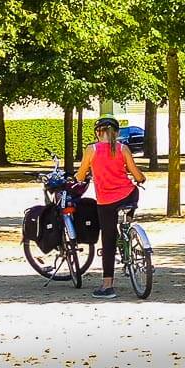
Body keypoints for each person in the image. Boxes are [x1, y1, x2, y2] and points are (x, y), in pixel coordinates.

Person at [75, 117, 146, 299]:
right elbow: (137, 174)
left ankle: (107, 286)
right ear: (117, 133)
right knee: (129, 207)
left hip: (106, 201)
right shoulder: (123, 149)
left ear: (98, 132)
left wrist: (79, 177)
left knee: (108, 239)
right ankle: (129, 231)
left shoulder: (92, 150)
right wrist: (141, 179)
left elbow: (81, 175)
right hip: (129, 195)